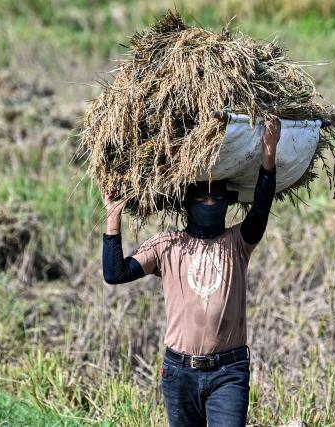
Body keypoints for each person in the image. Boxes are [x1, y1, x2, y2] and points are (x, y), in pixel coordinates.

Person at [101, 116, 281, 426]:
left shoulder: (238, 242)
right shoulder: (167, 245)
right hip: (179, 372)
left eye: (217, 199)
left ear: (227, 204)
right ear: (187, 204)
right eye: (202, 198)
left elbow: (261, 209)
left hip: (229, 371)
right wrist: (113, 219)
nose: (210, 203)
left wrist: (269, 153)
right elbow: (115, 273)